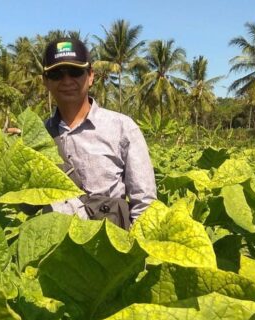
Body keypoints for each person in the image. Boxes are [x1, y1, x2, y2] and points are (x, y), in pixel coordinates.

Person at [11, 37, 157, 229]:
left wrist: (132, 253)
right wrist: (14, 157)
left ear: (90, 76)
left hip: (106, 249)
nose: (66, 81)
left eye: (75, 72)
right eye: (56, 74)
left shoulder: (122, 128)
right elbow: (26, 207)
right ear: (45, 81)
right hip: (55, 250)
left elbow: (145, 204)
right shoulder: (38, 136)